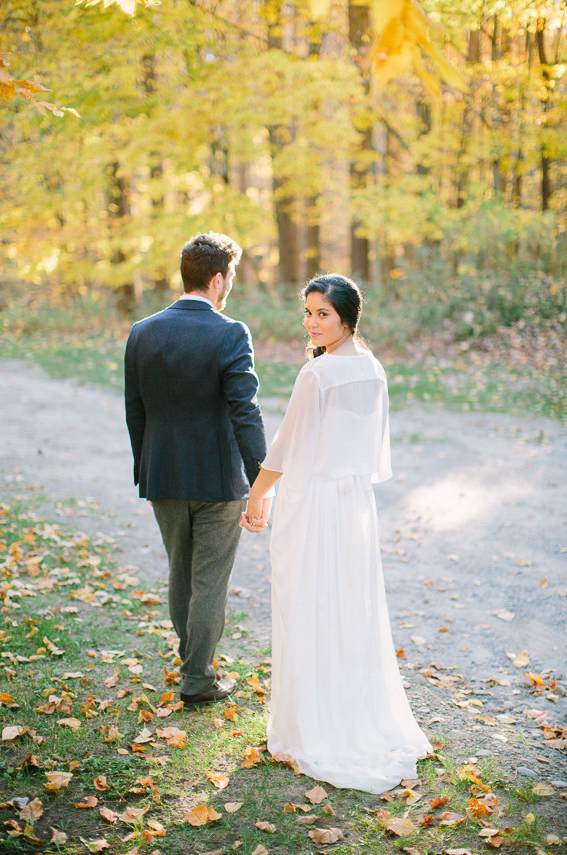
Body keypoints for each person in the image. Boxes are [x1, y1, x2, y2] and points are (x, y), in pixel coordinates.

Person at [240, 274, 431, 793]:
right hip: (352, 505)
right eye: (308, 312)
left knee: (310, 605)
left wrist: (257, 494)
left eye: (322, 313)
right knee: (347, 607)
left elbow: (284, 446)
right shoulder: (372, 369)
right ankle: (343, 712)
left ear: (347, 317)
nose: (312, 322)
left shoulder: (318, 375)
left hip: (317, 502)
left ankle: (314, 728)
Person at [125, 232, 271, 710]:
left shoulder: (142, 331)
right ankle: (197, 678)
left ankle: (194, 665)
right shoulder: (231, 333)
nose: (229, 285)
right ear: (216, 279)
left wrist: (145, 465)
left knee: (180, 572)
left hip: (162, 473)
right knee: (209, 578)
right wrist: (261, 481)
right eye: (229, 276)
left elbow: (135, 411)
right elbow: (244, 411)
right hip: (218, 478)